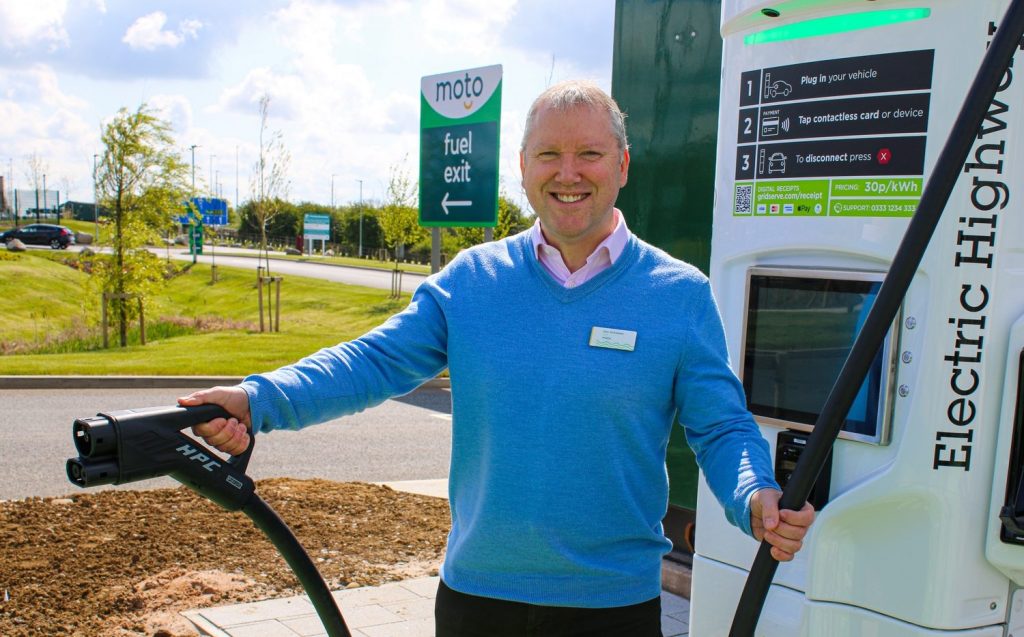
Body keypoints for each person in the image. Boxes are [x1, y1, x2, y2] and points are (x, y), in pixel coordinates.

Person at [180, 80, 815, 636]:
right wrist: (258, 399)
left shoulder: (678, 294)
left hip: (613, 608)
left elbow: (722, 426)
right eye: (549, 154)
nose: (568, 172)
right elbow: (371, 362)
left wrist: (754, 494)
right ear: (523, 166)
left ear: (622, 164)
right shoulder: (472, 282)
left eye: (589, 153)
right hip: (478, 602)